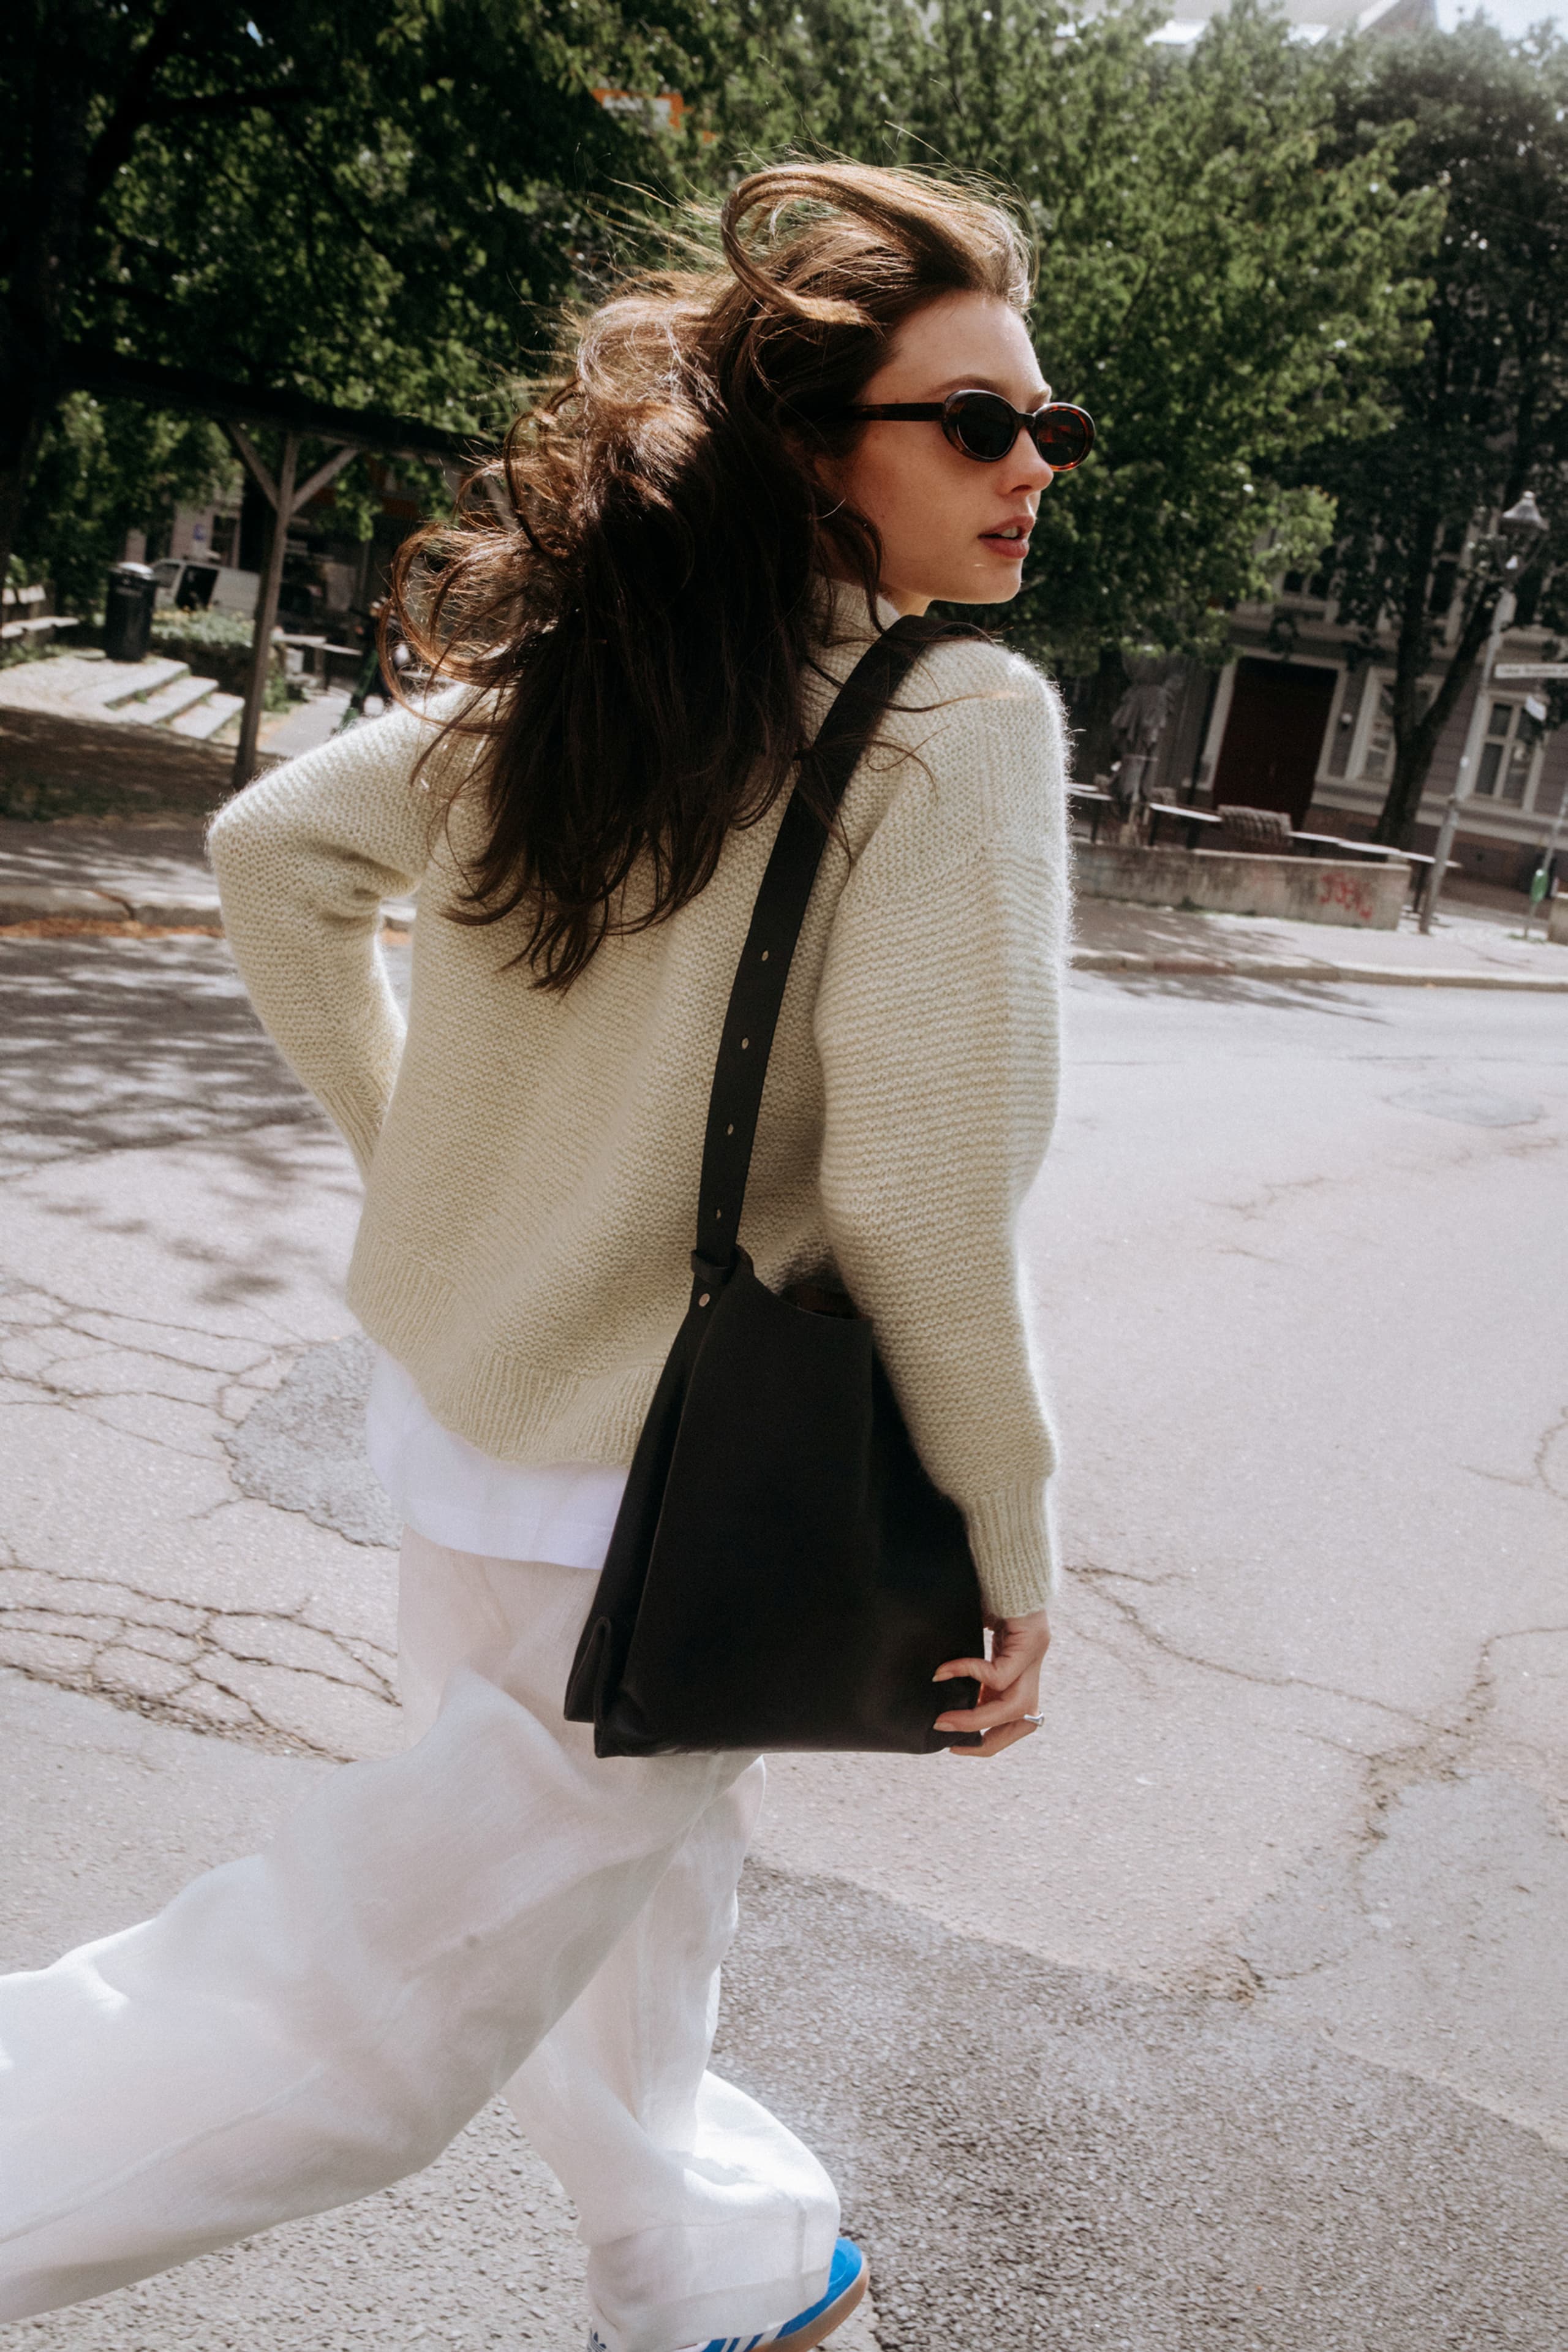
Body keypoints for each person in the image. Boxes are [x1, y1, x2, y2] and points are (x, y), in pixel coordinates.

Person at [0, 161, 1075, 2352]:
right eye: (977, 421)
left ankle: (713, 2271)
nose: (1034, 465)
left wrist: (426, 1162)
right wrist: (1010, 1533)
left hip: (473, 1433)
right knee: (358, 2018)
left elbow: (276, 848)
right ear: (818, 453)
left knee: (625, 1878)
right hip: (665, 1494)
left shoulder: (600, 679)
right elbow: (919, 1201)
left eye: (1052, 424)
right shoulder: (958, 723)